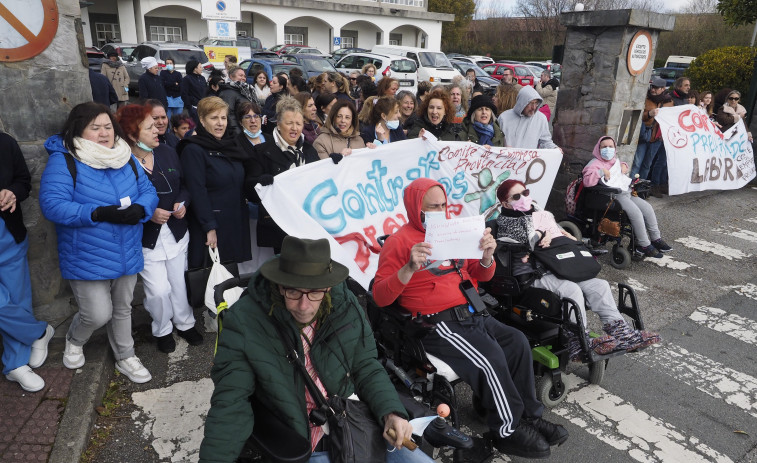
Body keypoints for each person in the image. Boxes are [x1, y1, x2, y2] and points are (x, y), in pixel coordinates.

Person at [373, 178, 568, 459]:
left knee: (517, 342)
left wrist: (488, 256)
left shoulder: (453, 230)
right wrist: (408, 268)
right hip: (437, 322)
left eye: (442, 205)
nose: (440, 211)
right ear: (416, 208)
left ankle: (529, 416)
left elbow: (481, 275)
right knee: (489, 358)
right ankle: (507, 430)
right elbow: (380, 296)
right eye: (432, 207)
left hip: (472, 310)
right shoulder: (399, 242)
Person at [199, 236, 432, 463]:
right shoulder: (244, 321)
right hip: (299, 438)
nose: (303, 305)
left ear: (328, 288)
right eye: (293, 292)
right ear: (280, 286)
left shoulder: (345, 306)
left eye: (315, 293)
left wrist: (391, 412)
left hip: (352, 422)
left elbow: (366, 366)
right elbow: (231, 401)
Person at [40, 102, 158, 383]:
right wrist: (95, 212)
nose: (104, 133)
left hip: (127, 248)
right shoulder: (65, 159)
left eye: (107, 126)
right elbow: (52, 205)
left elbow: (148, 190)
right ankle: (74, 338)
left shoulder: (124, 156)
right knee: (96, 313)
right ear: (78, 130)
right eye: (95, 128)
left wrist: (142, 209)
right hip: (87, 252)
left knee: (122, 308)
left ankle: (126, 356)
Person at [495, 179, 661, 359]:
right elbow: (528, 238)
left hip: (557, 265)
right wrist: (544, 232)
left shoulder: (537, 212)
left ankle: (621, 332)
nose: (524, 198)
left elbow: (558, 233)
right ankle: (577, 340)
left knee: (600, 285)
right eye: (517, 196)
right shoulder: (506, 221)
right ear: (505, 203)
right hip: (534, 272)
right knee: (571, 290)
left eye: (525, 193)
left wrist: (555, 233)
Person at [116, 104, 201, 353]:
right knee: (158, 290)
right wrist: (147, 212)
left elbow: (184, 185)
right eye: (150, 127)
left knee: (178, 283)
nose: (157, 131)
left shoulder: (167, 152)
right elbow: (120, 201)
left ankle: (185, 323)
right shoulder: (122, 163)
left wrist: (183, 202)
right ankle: (162, 328)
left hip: (175, 231)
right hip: (145, 239)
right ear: (132, 134)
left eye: (157, 125)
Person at [1, 133, 54, 392]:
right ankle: (38, 332)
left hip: (7, 234)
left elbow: (23, 181)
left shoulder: (5, 142)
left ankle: (15, 364)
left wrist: (12, 192)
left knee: (17, 297)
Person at [178, 96, 251, 269]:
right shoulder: (193, 150)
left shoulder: (230, 146)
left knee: (230, 280)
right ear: (202, 121)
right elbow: (197, 191)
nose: (220, 123)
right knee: (209, 282)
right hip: (211, 227)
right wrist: (209, 227)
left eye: (223, 118)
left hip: (232, 222)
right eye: (214, 118)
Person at [243, 96, 319, 252]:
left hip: (308, 223)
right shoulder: (261, 152)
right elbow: (249, 188)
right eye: (289, 123)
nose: (294, 128)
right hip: (279, 226)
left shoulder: (310, 151)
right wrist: (260, 182)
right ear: (278, 124)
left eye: (298, 123)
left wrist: (333, 163)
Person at [583, 136, 672, 258]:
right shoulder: (594, 164)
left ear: (615, 149)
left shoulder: (614, 161)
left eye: (611, 146)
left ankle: (656, 239)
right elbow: (587, 182)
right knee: (636, 213)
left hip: (625, 192)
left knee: (647, 208)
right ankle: (644, 244)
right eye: (604, 147)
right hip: (611, 196)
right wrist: (600, 172)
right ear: (598, 149)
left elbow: (619, 168)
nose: (607, 149)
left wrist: (623, 165)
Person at [630, 77, 673, 180]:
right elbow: (637, 115)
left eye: (656, 87)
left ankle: (641, 189)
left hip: (657, 138)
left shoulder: (669, 102)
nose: (653, 89)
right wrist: (649, 114)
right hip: (644, 135)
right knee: (637, 163)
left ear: (663, 89)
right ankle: (631, 187)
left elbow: (670, 120)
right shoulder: (645, 99)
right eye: (652, 87)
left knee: (647, 165)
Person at [218, 66, 254, 136]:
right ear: (231, 76)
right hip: (236, 133)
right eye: (240, 75)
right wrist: (238, 133)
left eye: (244, 76)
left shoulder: (244, 91)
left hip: (246, 130)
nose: (243, 78)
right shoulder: (227, 92)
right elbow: (228, 114)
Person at [180, 60, 207, 127]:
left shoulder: (202, 78)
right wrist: (190, 106)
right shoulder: (187, 79)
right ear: (195, 68)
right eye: (200, 67)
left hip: (203, 107)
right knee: (194, 127)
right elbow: (184, 94)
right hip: (194, 107)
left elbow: (206, 91)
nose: (202, 69)